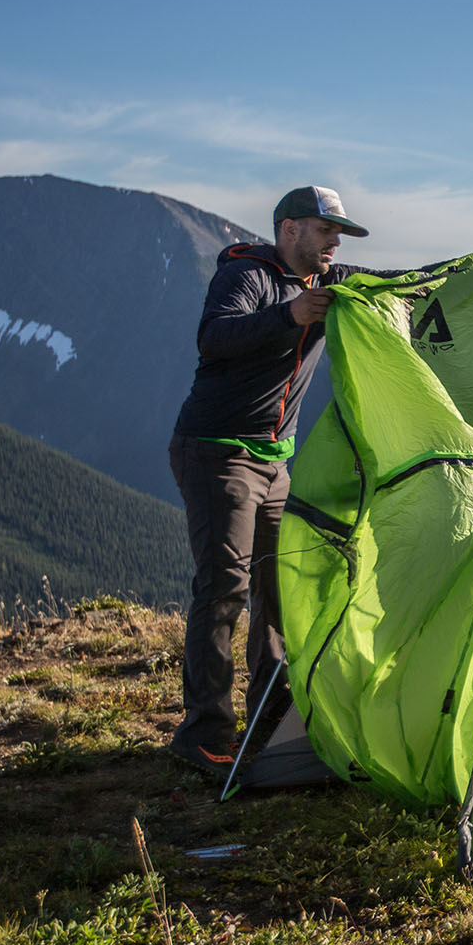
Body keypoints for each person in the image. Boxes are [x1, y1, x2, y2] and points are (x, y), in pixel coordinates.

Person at [165, 185, 387, 775]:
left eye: (340, 235)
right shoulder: (249, 276)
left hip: (275, 461)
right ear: (290, 229)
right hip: (217, 453)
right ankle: (202, 734)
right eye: (326, 231)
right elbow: (214, 336)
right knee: (225, 589)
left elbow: (390, 281)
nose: (336, 243)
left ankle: (268, 720)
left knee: (279, 590)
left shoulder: (326, 281)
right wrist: (289, 316)